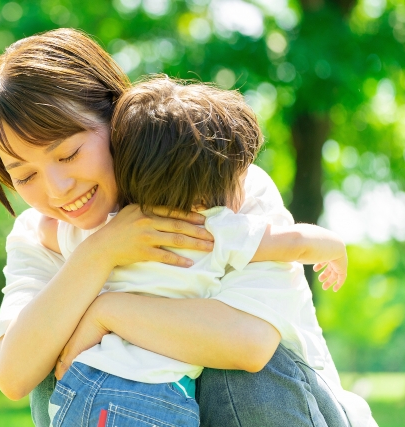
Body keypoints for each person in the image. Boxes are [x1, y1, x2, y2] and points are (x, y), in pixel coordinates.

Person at [0, 28, 377, 426]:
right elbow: (16, 375)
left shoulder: (224, 188)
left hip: (280, 408)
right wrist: (99, 252)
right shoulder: (42, 230)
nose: (57, 189)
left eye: (68, 154)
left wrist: (104, 313)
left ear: (115, 115)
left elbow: (251, 347)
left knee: (231, 370)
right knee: (49, 353)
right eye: (25, 176)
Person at [37, 76, 351, 426]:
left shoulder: (112, 232)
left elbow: (47, 232)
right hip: (153, 397)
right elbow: (295, 243)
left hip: (83, 388)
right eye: (239, 177)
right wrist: (335, 248)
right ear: (207, 195)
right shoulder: (216, 229)